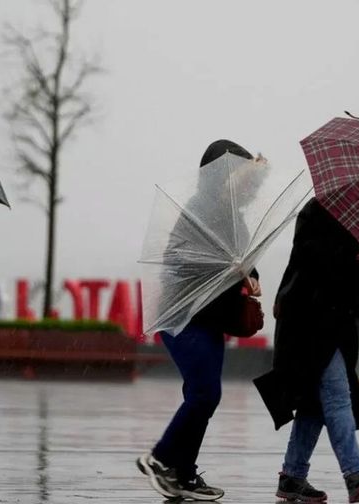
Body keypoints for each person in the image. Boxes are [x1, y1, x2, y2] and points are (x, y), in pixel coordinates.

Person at [137, 139, 262, 502]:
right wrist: (227, 265)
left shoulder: (235, 217)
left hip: (212, 317)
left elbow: (244, 260)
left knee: (201, 395)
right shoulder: (198, 210)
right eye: (236, 173)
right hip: (184, 315)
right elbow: (177, 256)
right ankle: (160, 459)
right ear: (217, 175)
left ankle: (184, 475)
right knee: (206, 393)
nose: (242, 181)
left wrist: (250, 276)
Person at [266, 197, 359, 503]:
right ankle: (354, 474)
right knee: (337, 395)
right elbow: (312, 257)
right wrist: (354, 253)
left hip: (343, 325)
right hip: (310, 320)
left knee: (315, 404)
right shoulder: (316, 210)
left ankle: (293, 477)